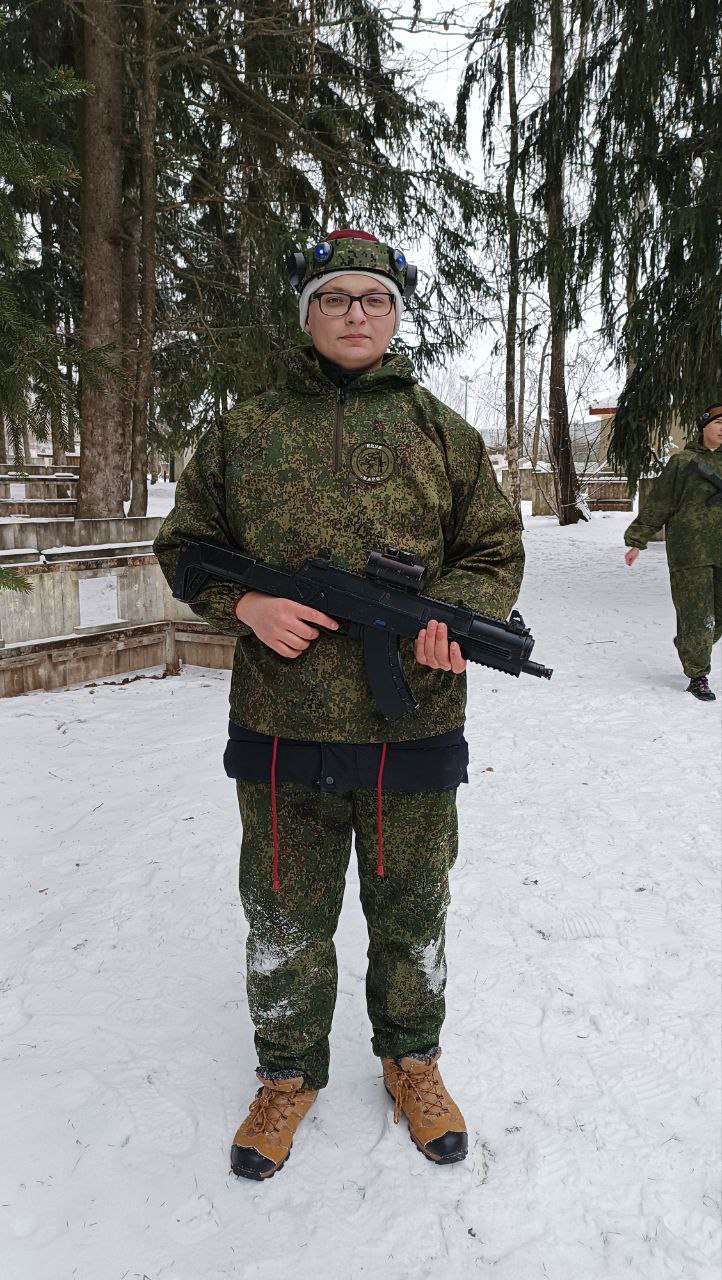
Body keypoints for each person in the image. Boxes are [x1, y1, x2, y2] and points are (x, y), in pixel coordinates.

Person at [154, 229, 524, 1180]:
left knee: (412, 914)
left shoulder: (442, 433)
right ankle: (286, 1075)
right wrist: (246, 604)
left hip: (415, 723)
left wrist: (456, 621)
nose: (355, 313)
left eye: (374, 299)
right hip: (280, 725)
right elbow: (185, 546)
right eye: (334, 297)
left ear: (396, 315)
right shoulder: (244, 430)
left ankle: (413, 1062)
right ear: (308, 312)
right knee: (283, 918)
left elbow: (493, 552)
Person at [624, 402, 722, 701]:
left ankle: (691, 644)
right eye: (719, 423)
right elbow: (660, 503)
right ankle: (698, 675)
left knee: (716, 617)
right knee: (696, 615)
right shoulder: (682, 463)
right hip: (690, 552)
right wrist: (637, 539)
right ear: (703, 427)